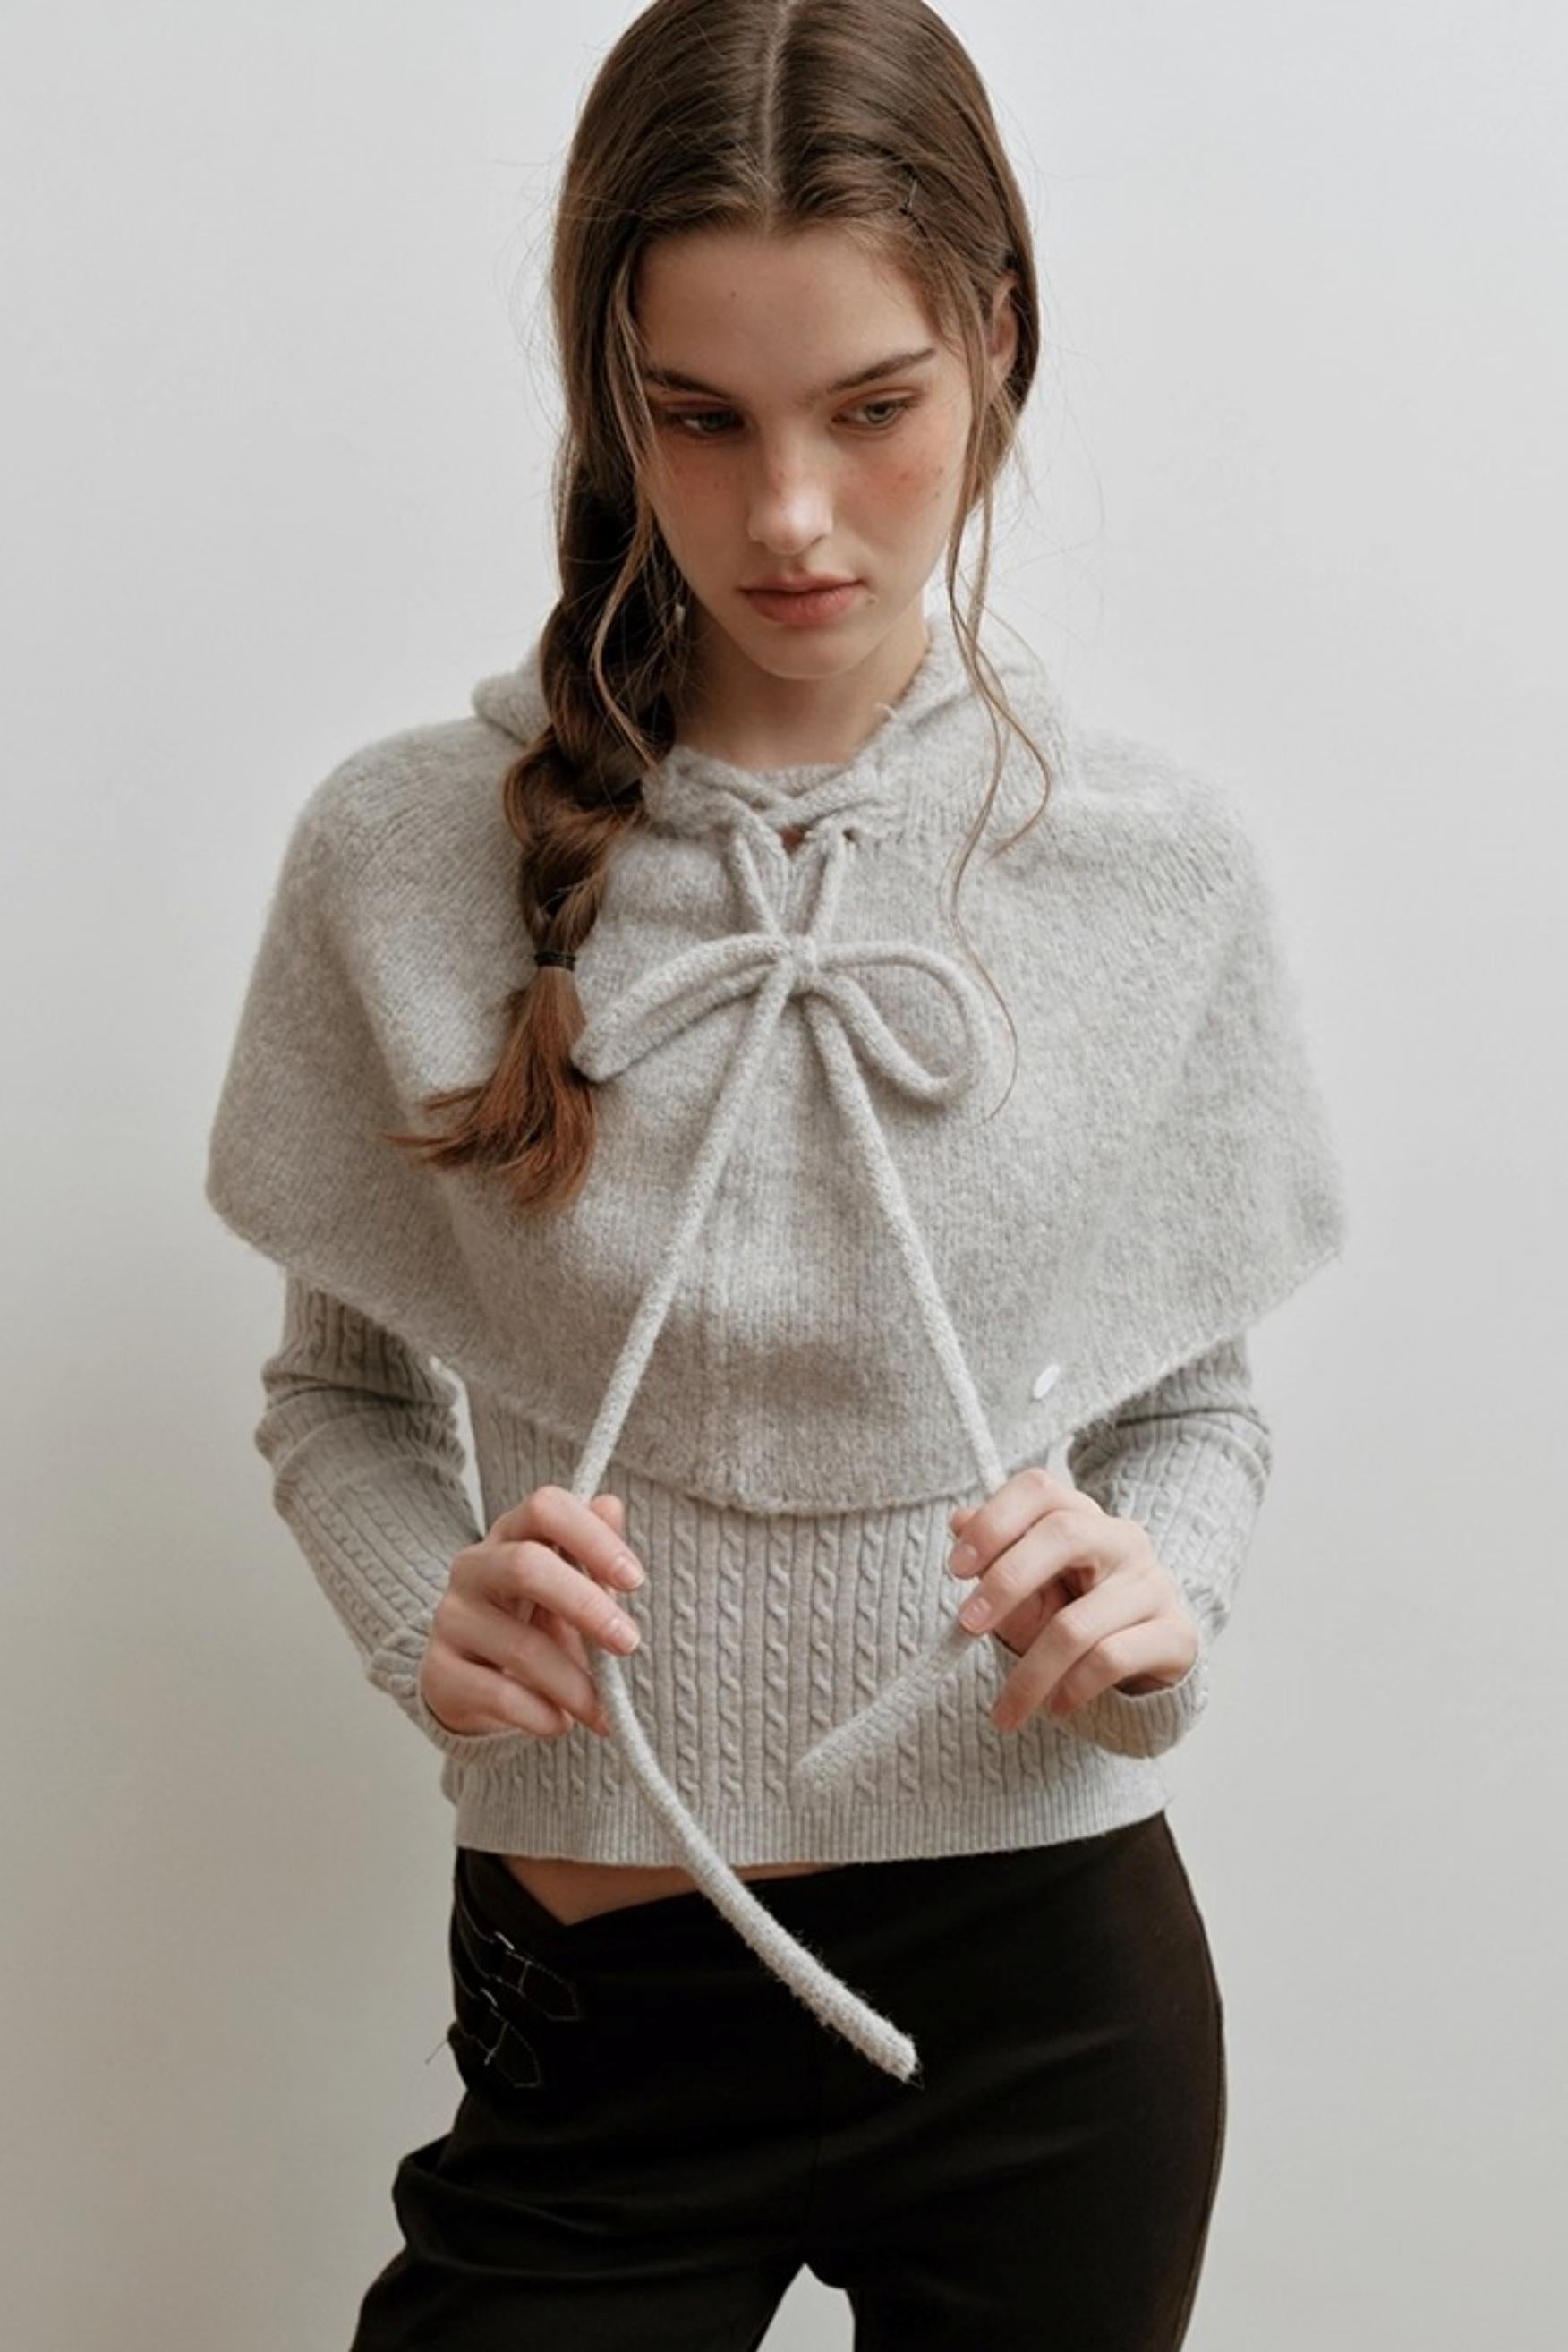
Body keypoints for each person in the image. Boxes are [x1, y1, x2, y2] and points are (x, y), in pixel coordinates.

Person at [204, 2, 1348, 2343]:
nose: (790, 514)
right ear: (606, 391)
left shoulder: (1149, 871)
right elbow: (339, 1393)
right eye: (701, 417)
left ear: (995, 346)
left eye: (872, 407)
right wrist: (428, 1617)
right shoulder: (403, 855)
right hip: (599, 1991)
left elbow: (1193, 1407)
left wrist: (1163, 1600)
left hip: (1052, 2000)